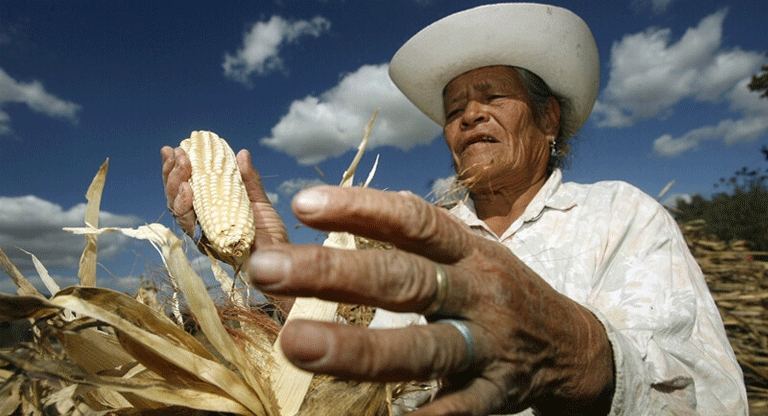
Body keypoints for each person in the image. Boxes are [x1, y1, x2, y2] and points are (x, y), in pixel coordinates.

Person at [162, 3, 747, 415]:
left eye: (493, 97)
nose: (469, 116)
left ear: (548, 121)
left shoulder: (622, 216)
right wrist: (258, 252)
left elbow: (715, 396)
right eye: (455, 109)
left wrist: (574, 352)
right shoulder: (417, 243)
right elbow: (352, 361)